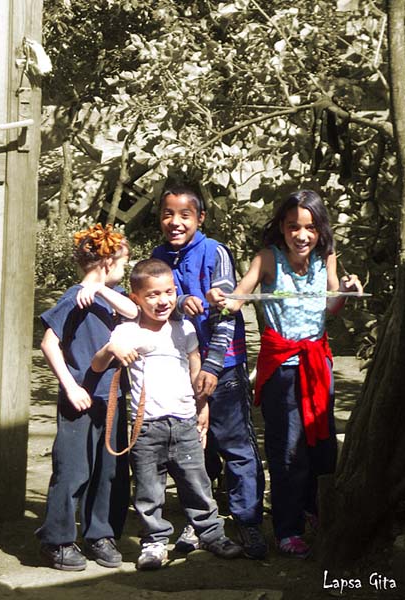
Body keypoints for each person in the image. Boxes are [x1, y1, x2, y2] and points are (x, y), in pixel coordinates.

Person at [207, 189, 363, 558]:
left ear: (320, 229)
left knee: (321, 444)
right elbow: (238, 298)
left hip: (318, 364)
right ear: (281, 227)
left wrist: (346, 289)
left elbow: (332, 307)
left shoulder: (327, 257)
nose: (302, 235)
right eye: (293, 227)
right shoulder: (267, 258)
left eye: (309, 227)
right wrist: (220, 299)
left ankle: (314, 511)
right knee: (287, 448)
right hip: (282, 369)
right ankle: (287, 528)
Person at [91, 258, 242, 570]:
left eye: (169, 292)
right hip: (146, 428)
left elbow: (194, 364)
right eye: (153, 295)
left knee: (197, 483)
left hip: (185, 421)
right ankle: (154, 542)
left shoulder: (183, 327)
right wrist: (111, 350)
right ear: (135, 299)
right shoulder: (127, 331)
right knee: (148, 490)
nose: (163, 301)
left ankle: (211, 533)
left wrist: (202, 405)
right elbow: (97, 365)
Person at [152, 183, 267, 560]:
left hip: (224, 367)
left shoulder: (215, 253)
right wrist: (181, 300)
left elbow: (226, 312)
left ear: (200, 218)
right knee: (191, 450)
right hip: (179, 370)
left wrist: (214, 366)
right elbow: (153, 303)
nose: (175, 222)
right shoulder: (158, 256)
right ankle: (200, 521)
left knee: (236, 446)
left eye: (185, 214)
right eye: (168, 213)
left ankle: (248, 520)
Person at [36, 223, 138, 571]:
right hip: (81, 399)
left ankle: (100, 534)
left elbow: (134, 312)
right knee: (73, 471)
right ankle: (58, 540)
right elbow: (49, 343)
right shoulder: (72, 298)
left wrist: (98, 288)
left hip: (110, 398)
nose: (125, 267)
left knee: (108, 470)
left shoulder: (110, 295)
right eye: (123, 261)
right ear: (108, 261)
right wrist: (70, 386)